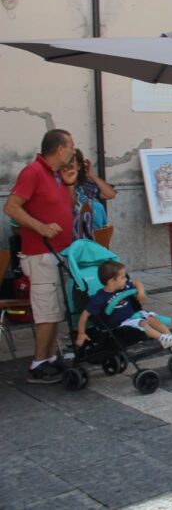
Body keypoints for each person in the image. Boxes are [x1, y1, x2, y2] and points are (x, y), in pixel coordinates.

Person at [3, 129, 76, 384]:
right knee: (46, 311)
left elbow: (69, 206)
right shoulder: (33, 172)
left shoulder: (56, 174)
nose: (73, 151)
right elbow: (11, 207)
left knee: (56, 309)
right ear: (59, 149)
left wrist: (69, 184)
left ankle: (50, 357)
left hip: (58, 251)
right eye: (71, 146)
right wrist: (41, 227)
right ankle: (38, 363)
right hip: (41, 253)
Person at [75, 260, 172, 352]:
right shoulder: (99, 297)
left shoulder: (124, 287)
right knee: (142, 323)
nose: (126, 279)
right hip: (121, 324)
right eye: (123, 277)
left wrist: (141, 291)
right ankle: (162, 338)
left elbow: (136, 283)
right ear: (112, 281)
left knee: (151, 318)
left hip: (133, 315)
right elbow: (84, 316)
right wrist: (81, 334)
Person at [60, 148, 117, 241]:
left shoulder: (86, 186)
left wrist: (91, 175)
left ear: (79, 166)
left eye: (71, 161)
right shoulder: (57, 185)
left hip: (86, 239)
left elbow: (110, 194)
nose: (67, 165)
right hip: (66, 238)